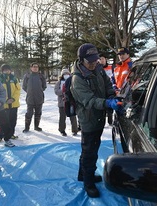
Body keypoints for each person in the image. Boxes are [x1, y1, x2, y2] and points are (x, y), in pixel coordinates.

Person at [71, 43, 123, 198]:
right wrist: (106, 103)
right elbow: (89, 101)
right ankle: (88, 182)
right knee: (89, 152)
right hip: (88, 120)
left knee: (91, 148)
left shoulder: (98, 69)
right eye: (90, 61)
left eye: (95, 60)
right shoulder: (77, 79)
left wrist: (112, 96)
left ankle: (83, 174)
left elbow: (107, 85)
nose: (94, 63)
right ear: (81, 60)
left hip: (98, 117)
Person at [22, 62, 47, 132]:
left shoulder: (41, 76)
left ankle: (36, 126)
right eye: (34, 67)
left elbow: (44, 86)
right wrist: (30, 91)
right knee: (29, 114)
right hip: (30, 98)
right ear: (31, 68)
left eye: (37, 67)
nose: (35, 68)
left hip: (39, 98)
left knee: (38, 113)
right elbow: (24, 87)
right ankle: (27, 127)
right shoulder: (27, 76)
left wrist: (39, 91)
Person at [0, 64, 21, 139]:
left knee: (12, 120)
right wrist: (5, 100)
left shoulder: (14, 79)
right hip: (3, 105)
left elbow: (18, 90)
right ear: (2, 71)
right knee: (2, 121)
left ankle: (11, 134)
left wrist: (13, 99)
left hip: (14, 104)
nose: (6, 71)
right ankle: (0, 136)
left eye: (8, 69)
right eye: (4, 70)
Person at [54, 68, 78, 136]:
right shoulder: (59, 82)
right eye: (64, 74)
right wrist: (63, 91)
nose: (66, 75)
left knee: (73, 116)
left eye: (67, 73)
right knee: (62, 117)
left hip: (71, 102)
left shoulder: (72, 81)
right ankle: (62, 130)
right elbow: (56, 91)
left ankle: (75, 130)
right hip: (62, 103)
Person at [99, 53, 113, 125]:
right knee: (103, 105)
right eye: (100, 59)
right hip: (101, 90)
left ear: (105, 59)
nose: (101, 61)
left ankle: (110, 121)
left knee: (110, 105)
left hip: (110, 88)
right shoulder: (97, 69)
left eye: (103, 59)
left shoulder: (111, 67)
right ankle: (102, 121)